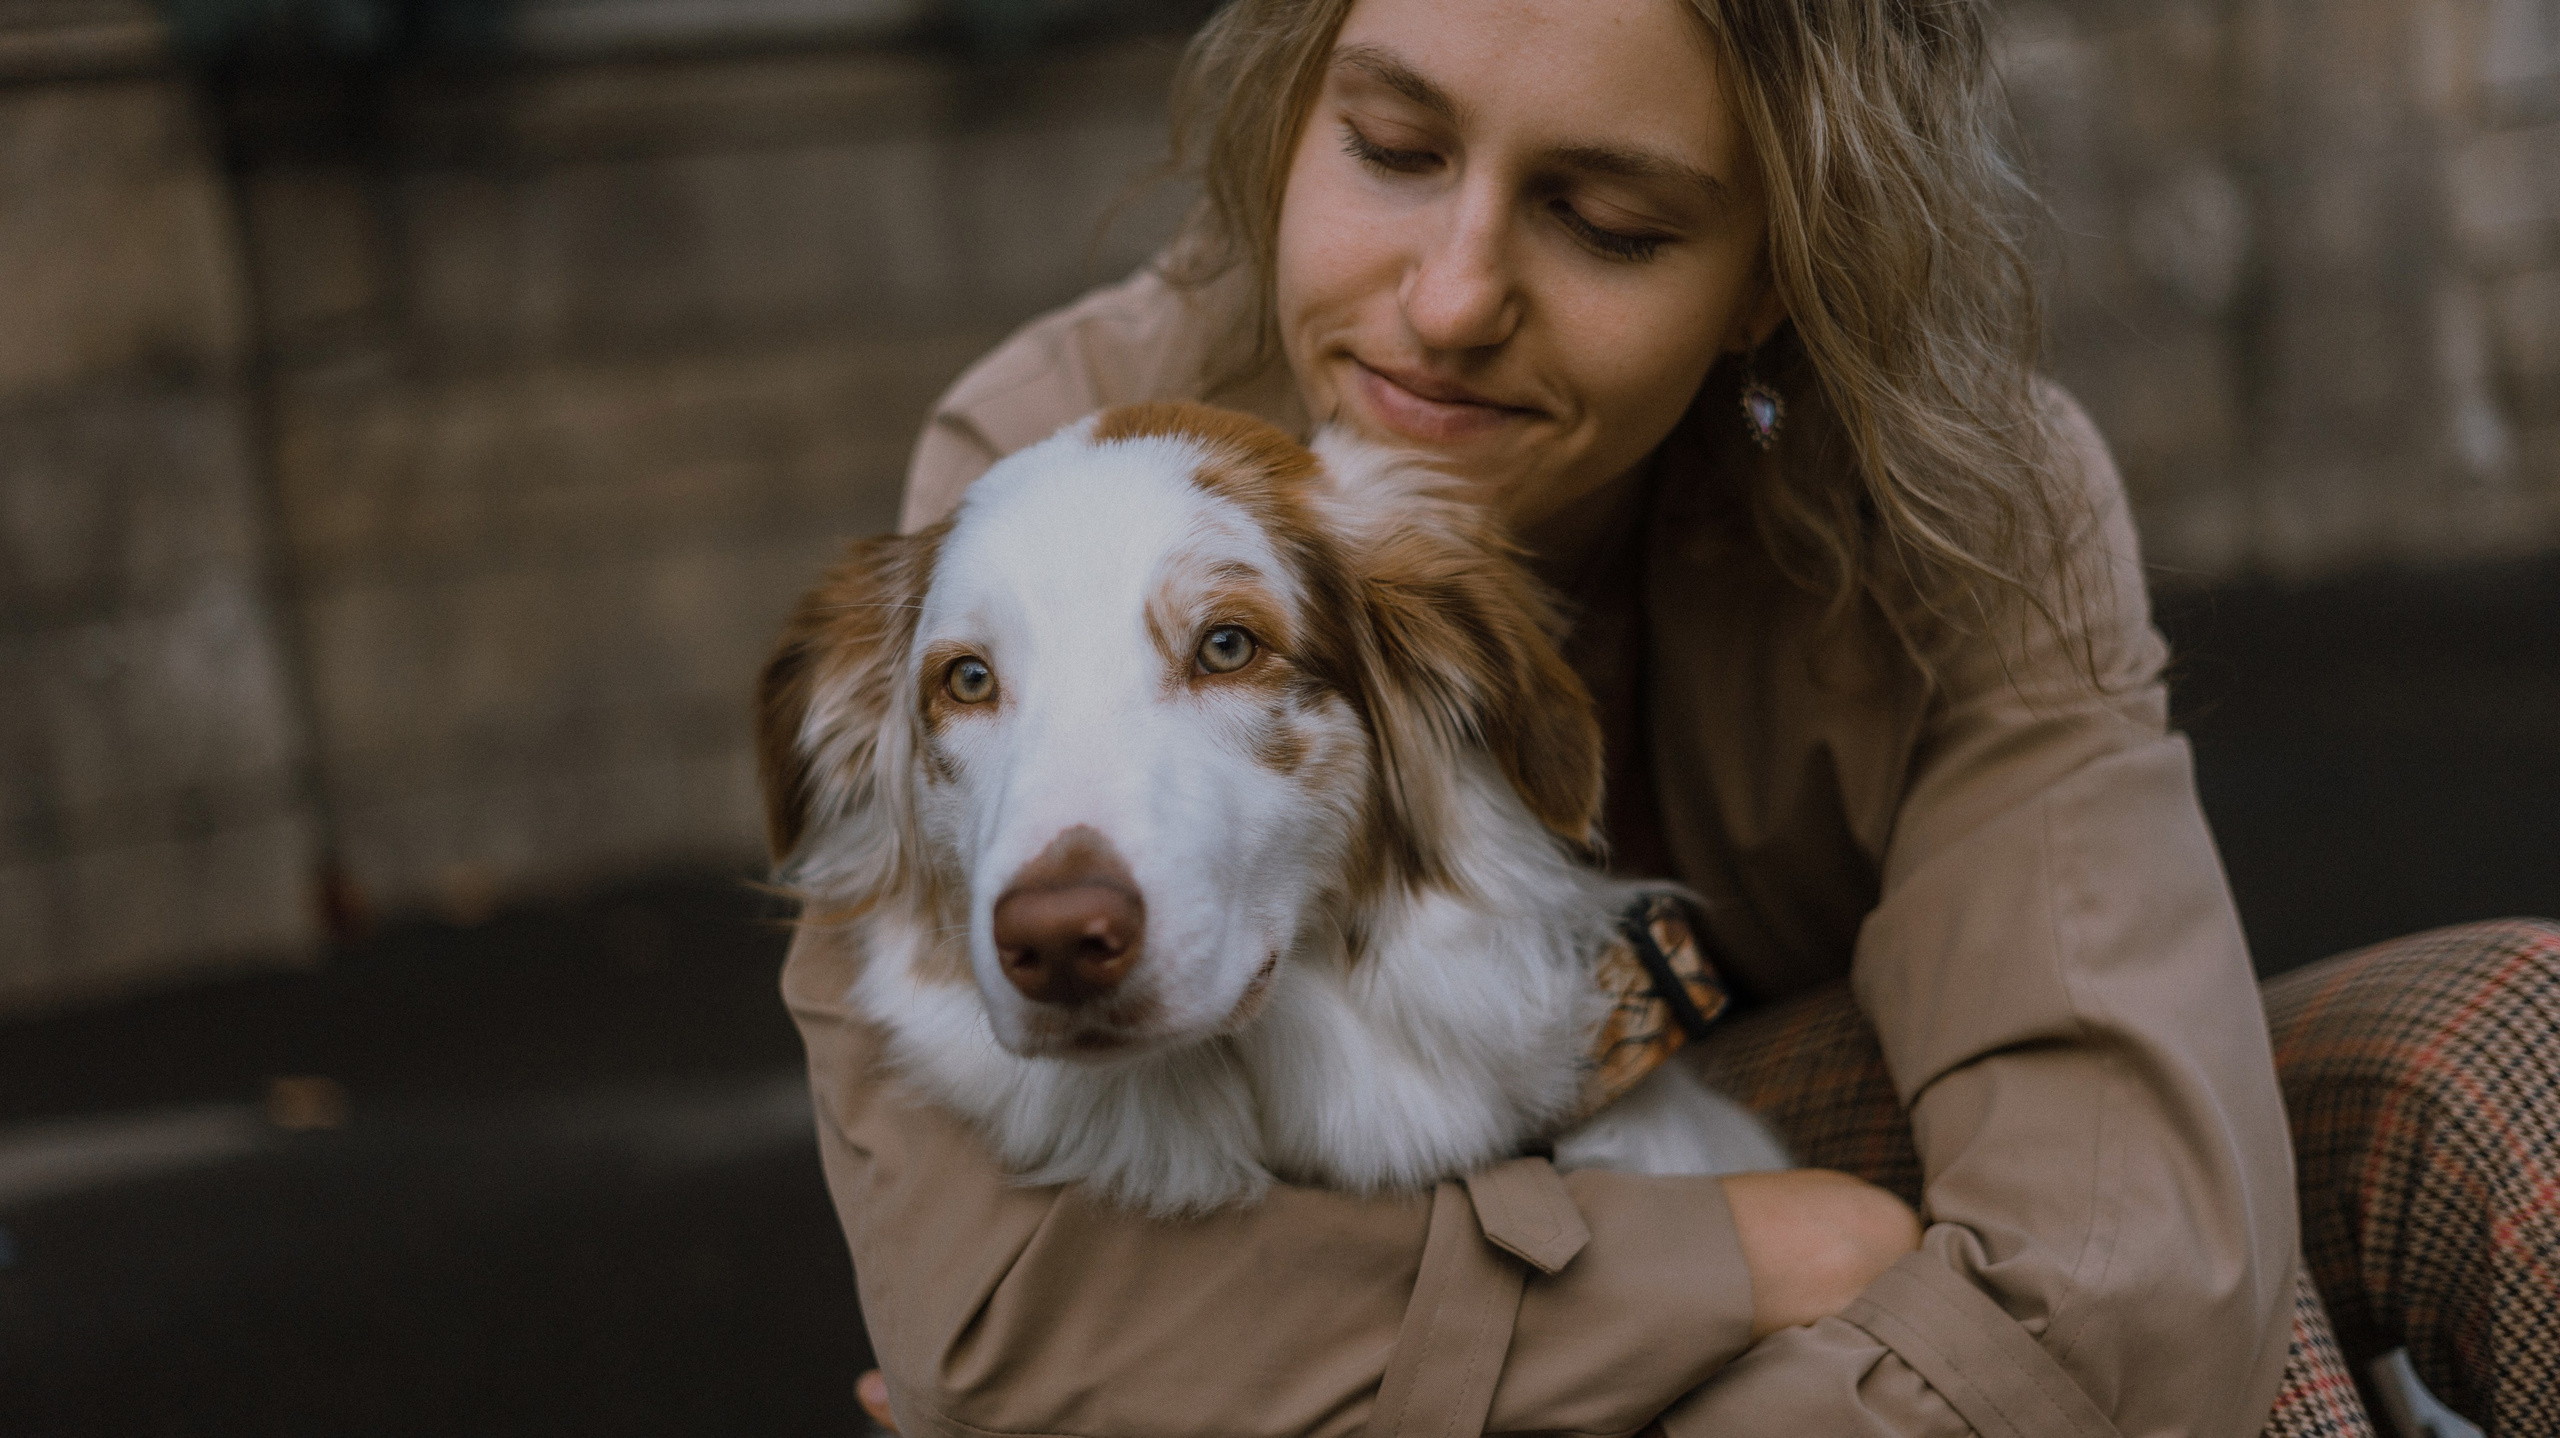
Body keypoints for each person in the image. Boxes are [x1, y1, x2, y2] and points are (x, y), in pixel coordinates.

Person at [783, 0, 2560, 1432]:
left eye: (1606, 220)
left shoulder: (1966, 512)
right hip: (1448, 1225)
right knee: (2246, 1364)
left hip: (1740, 1166)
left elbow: (2126, 1254)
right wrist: (1729, 1260)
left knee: (2509, 1057)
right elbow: (1011, 1329)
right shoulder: (1033, 476)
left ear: (1779, 267)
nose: (1454, 295)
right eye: (1391, 149)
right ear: (1291, 111)